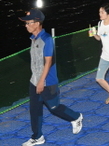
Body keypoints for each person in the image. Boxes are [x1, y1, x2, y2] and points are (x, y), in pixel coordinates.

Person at [21, 8, 83, 146]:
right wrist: (36, 80)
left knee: (54, 108)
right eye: (25, 23)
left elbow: (48, 62)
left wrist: (42, 81)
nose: (26, 25)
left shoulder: (47, 39)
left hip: (47, 82)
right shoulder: (33, 38)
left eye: (28, 23)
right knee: (34, 110)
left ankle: (76, 117)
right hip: (34, 81)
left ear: (37, 23)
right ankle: (37, 137)